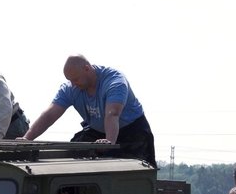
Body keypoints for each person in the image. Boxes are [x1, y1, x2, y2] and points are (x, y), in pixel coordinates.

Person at [21, 55, 157, 168]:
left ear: (87, 69)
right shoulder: (70, 89)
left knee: (138, 169)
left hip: (132, 132)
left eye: (75, 79)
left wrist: (109, 142)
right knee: (72, 153)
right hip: (97, 132)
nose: (73, 84)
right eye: (70, 80)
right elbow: (50, 114)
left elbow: (112, 114)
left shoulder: (115, 82)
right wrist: (27, 139)